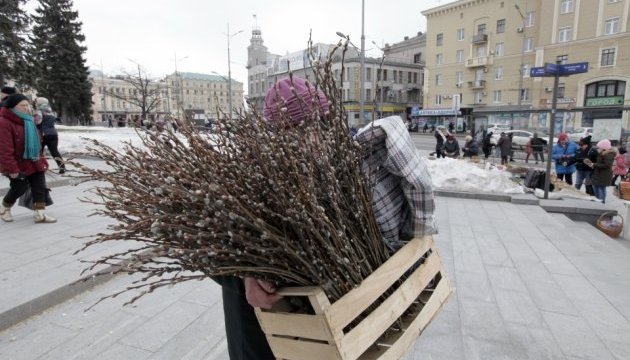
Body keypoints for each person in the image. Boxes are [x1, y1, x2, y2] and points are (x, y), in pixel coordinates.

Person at [0, 93, 56, 223]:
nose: (26, 108)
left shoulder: (28, 119)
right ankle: (4, 207)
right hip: (16, 162)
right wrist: (12, 168)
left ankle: (40, 214)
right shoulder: (4, 122)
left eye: (27, 105)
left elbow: (37, 141)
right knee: (19, 188)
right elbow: (4, 148)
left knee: (39, 186)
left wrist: (41, 159)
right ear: (13, 106)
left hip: (34, 159)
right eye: (22, 105)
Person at [34, 97, 65, 174]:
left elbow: (38, 122)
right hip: (53, 134)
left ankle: (39, 167)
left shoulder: (39, 111)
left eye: (36, 102)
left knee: (39, 152)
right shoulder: (50, 111)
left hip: (43, 134)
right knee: (54, 151)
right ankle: (62, 166)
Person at [586, 139, 615, 203]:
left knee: (601, 188)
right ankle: (598, 200)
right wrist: (592, 165)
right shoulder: (602, 153)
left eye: (600, 146)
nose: (598, 148)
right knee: (596, 187)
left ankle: (601, 201)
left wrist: (594, 164)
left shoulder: (608, 154)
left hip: (604, 174)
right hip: (599, 173)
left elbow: (607, 165)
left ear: (604, 147)